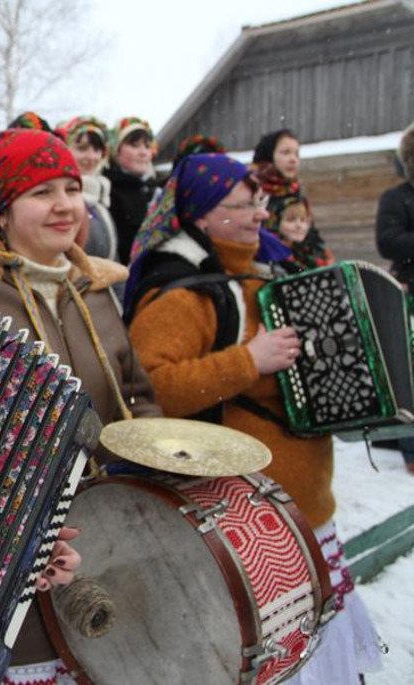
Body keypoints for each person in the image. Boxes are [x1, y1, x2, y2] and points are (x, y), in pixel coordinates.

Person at [125, 154, 384, 684]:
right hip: (247, 522)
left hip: (303, 508)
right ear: (200, 215)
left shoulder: (272, 267)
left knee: (317, 642)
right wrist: (249, 361)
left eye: (260, 202)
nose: (260, 214)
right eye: (243, 205)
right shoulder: (182, 290)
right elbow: (151, 393)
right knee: (272, 655)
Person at [0, 127, 161, 684]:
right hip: (1, 560)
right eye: (40, 192)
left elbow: (136, 397)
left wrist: (161, 453)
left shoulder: (96, 290)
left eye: (71, 189)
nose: (63, 206)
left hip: (111, 538)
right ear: (1, 210)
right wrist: (15, 524)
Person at [376, 121, 414, 474]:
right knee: (411, 378)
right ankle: (412, 453)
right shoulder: (397, 197)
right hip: (410, 294)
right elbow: (389, 242)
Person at [252, 129, 333, 270]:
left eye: (296, 154)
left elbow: (313, 241)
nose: (293, 159)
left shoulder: (296, 195)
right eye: (286, 152)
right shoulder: (251, 192)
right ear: (268, 155)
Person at [57, 116, 118, 262]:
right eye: (82, 148)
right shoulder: (60, 201)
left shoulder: (101, 202)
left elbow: (113, 261)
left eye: (97, 149)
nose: (91, 157)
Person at [104, 117, 159, 265]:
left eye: (147, 147)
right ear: (117, 150)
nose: (143, 152)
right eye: (135, 145)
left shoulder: (156, 190)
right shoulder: (108, 191)